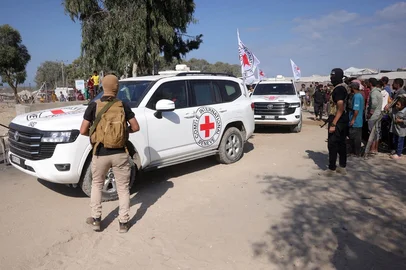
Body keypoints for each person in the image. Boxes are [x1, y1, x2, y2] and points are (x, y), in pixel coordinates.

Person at [79, 74, 140, 233]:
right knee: (123, 188)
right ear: (117, 88)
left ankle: (96, 220)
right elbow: (135, 127)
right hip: (120, 153)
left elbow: (83, 130)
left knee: (97, 185)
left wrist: (96, 135)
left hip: (100, 153)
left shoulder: (94, 105)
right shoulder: (123, 105)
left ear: (103, 87)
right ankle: (124, 223)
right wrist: (122, 133)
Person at [326, 68, 349, 176]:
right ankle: (342, 166)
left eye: (333, 76)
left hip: (337, 119)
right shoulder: (342, 87)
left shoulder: (339, 89)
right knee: (341, 143)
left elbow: (340, 108)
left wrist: (333, 124)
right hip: (342, 119)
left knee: (333, 144)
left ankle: (332, 168)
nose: (331, 78)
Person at [366, 78, 383, 155]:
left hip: (373, 116)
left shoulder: (374, 93)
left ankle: (372, 148)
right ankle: (375, 149)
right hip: (378, 114)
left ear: (370, 83)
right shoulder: (379, 92)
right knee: (376, 132)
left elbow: (374, 104)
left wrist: (370, 113)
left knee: (372, 132)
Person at [348, 82, 364, 157]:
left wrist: (353, 119)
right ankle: (356, 152)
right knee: (356, 137)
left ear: (353, 88)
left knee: (355, 137)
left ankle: (356, 152)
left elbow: (356, 110)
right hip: (358, 120)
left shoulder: (357, 96)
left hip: (356, 121)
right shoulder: (360, 95)